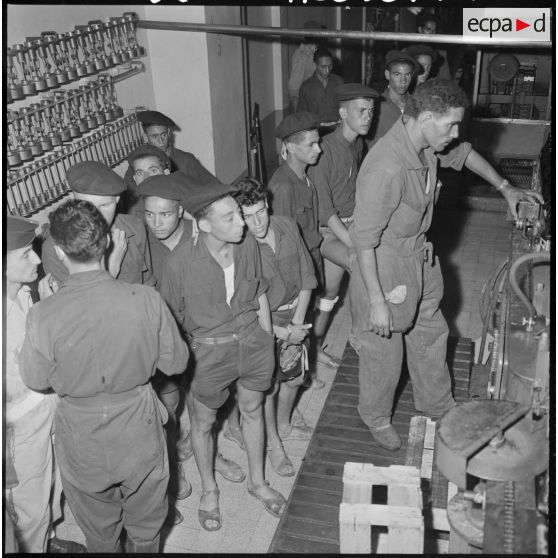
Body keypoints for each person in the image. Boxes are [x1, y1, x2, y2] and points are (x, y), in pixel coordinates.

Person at [351, 79, 544, 451]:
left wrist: (506, 188)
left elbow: (465, 153)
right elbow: (363, 243)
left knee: (430, 335)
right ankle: (375, 415)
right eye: (450, 125)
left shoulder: (425, 145)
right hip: (384, 265)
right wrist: (376, 301)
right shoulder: (386, 167)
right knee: (384, 353)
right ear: (425, 118)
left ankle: (436, 403)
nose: (455, 134)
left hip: (420, 259)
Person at [20, 199, 190, 552]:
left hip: (81, 437)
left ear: (61, 254)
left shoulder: (42, 314)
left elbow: (35, 379)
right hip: (138, 427)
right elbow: (175, 364)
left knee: (100, 534)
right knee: (146, 528)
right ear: (107, 243)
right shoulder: (144, 299)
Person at [159, 180, 286, 531]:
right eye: (230, 218)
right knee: (203, 422)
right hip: (210, 353)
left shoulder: (247, 247)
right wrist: (188, 362)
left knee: (254, 409)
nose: (242, 224)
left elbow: (259, 292)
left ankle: (258, 483)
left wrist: (267, 337)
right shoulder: (178, 264)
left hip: (253, 342)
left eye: (239, 216)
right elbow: (172, 321)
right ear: (203, 224)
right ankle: (209, 490)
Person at [137, 174, 246, 487]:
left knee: (213, 400)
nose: (156, 223)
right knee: (168, 405)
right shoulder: (141, 241)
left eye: (165, 214)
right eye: (149, 214)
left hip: (204, 336)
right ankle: (173, 463)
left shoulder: (201, 235)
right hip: (163, 335)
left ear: (182, 212)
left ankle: (213, 452)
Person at [5, 216, 86, 554]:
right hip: (17, 425)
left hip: (46, 404)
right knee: (28, 502)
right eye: (25, 254)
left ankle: (47, 539)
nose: (37, 259)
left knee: (52, 482)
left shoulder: (24, 293)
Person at [229, 178, 317, 473]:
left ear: (268, 205)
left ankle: (283, 423)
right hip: (264, 324)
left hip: (297, 317)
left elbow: (307, 276)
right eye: (248, 216)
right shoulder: (240, 247)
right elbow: (250, 304)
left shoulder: (287, 226)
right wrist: (280, 333)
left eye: (261, 212)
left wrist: (297, 325)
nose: (257, 223)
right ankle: (274, 444)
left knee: (294, 379)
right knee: (267, 388)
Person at [308, 83, 378, 367]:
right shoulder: (324, 151)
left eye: (371, 111)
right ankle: (360, 336)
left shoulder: (357, 145)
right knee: (361, 264)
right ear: (342, 113)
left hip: (348, 225)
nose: (368, 117)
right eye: (361, 111)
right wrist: (355, 243)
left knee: (329, 296)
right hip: (326, 232)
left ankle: (313, 351)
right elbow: (325, 211)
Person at [268, 112, 324, 388]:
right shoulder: (282, 186)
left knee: (307, 323)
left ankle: (302, 371)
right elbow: (281, 245)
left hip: (311, 259)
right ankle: (291, 382)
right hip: (296, 272)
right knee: (292, 334)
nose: (319, 149)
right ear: (290, 147)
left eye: (318, 142)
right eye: (311, 144)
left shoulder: (304, 176)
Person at [41, 161, 155, 287]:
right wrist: (110, 271)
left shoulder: (134, 228)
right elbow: (75, 305)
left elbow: (148, 285)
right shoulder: (56, 247)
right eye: (88, 207)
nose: (97, 217)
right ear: (74, 200)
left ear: (117, 200)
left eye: (105, 205)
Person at [136, 109, 218, 184]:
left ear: (168, 133)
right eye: (155, 137)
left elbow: (213, 185)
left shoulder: (186, 161)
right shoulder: (139, 164)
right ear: (145, 137)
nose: (161, 142)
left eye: (163, 135)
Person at [368, 50, 418, 146]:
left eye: (407, 75)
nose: (403, 81)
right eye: (397, 75)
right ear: (387, 75)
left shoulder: (416, 104)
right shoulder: (376, 106)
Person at [297, 48, 344, 132]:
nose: (327, 70)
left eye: (330, 66)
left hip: (338, 130)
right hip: (317, 132)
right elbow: (302, 117)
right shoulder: (306, 87)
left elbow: (346, 107)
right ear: (315, 65)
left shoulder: (339, 82)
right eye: (323, 67)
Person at [122, 143, 172, 217]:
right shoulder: (131, 211)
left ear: (166, 173)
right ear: (135, 179)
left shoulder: (181, 203)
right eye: (140, 173)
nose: (146, 177)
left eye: (153, 171)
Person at [288, 20, 324, 113]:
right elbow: (294, 90)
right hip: (305, 108)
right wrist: (299, 119)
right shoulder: (301, 55)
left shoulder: (316, 53)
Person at [416, 11, 452, 81]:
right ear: (420, 29)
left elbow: (445, 81)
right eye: (428, 29)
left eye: (434, 30)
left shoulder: (440, 55)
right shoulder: (411, 50)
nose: (432, 33)